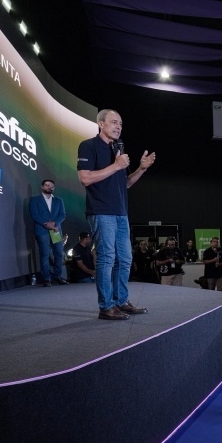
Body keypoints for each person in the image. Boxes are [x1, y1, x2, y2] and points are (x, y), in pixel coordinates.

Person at [77, 109, 156, 320]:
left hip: (121, 213)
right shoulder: (89, 146)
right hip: (101, 212)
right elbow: (85, 178)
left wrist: (141, 168)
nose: (118, 127)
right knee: (106, 259)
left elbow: (126, 183)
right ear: (100, 123)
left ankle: (121, 301)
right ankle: (106, 306)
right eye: (113, 122)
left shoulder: (118, 149)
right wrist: (116, 165)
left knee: (125, 259)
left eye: (120, 123)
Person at [29, 179, 67, 286]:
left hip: (55, 230)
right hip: (42, 230)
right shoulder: (35, 200)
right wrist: (46, 224)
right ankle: (46, 279)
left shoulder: (58, 200)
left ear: (53, 188)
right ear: (42, 187)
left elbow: (62, 214)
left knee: (58, 253)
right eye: (46, 185)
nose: (49, 187)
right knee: (44, 254)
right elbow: (34, 215)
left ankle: (57, 276)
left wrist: (54, 223)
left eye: (51, 186)